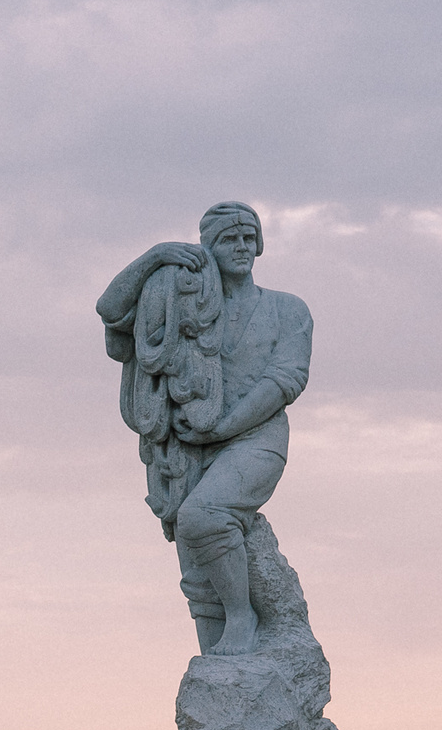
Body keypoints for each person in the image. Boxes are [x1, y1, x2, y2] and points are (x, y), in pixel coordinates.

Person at [93, 201, 313, 656]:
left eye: (248, 238)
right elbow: (110, 310)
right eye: (229, 239)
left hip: (255, 439)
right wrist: (155, 256)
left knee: (204, 516)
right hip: (186, 445)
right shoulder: (180, 303)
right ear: (208, 247)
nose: (241, 247)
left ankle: (243, 618)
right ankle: (221, 673)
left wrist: (224, 426)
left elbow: (285, 381)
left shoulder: (288, 309)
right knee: (196, 572)